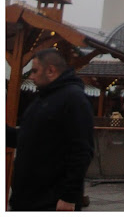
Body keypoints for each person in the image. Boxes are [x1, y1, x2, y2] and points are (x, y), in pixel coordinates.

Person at [6, 48, 94, 211]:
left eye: (34, 71)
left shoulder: (74, 99)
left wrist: (69, 196)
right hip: (27, 198)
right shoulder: (42, 99)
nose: (31, 76)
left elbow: (82, 151)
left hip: (49, 201)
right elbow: (27, 138)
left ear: (51, 71)